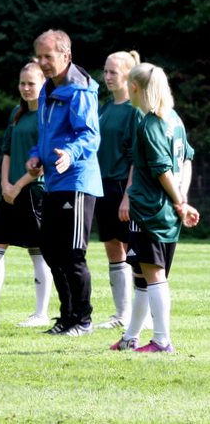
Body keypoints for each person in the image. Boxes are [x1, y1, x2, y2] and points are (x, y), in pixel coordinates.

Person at [110, 63, 199, 353]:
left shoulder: (150, 124)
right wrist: (182, 199)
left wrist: (180, 202)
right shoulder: (174, 118)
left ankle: (161, 341)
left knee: (153, 275)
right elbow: (186, 159)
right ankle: (130, 338)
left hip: (150, 211)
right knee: (144, 276)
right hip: (167, 212)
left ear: (134, 87)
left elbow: (162, 171)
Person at [26, 30, 103, 336]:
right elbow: (46, 135)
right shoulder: (47, 89)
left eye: (49, 56)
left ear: (65, 56)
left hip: (77, 180)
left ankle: (82, 319)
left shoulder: (80, 90)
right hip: (53, 181)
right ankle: (66, 317)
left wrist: (70, 154)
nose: (43, 63)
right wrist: (36, 155)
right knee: (49, 249)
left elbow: (90, 136)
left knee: (72, 253)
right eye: (40, 57)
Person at [0, 62, 52, 328]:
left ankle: (40, 314)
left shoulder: (48, 116)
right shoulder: (16, 113)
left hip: (35, 191)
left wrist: (18, 185)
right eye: (22, 83)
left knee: (39, 253)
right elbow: (7, 152)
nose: (25, 88)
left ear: (43, 84)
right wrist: (4, 184)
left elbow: (43, 162)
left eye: (31, 83)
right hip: (11, 192)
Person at [94, 51, 146, 329]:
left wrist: (127, 194)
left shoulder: (135, 111)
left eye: (113, 71)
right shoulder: (103, 107)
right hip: (101, 187)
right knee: (113, 249)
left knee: (135, 252)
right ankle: (121, 314)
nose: (108, 76)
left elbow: (136, 158)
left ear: (129, 75)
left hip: (122, 187)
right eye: (106, 71)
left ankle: (142, 314)